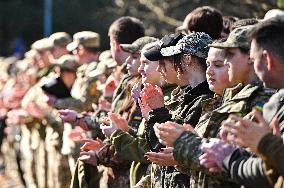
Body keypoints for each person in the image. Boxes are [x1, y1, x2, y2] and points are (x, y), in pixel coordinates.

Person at [154, 26, 273, 187]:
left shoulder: (262, 101)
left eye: (229, 56)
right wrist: (183, 152)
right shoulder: (229, 100)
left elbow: (246, 166)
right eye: (210, 64)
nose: (227, 62)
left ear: (251, 57)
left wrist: (185, 143)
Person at [201, 18, 284, 188]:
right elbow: (269, 172)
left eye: (254, 58)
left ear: (267, 59)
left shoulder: (270, 100)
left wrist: (266, 144)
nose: (226, 62)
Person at [138, 32, 213, 187]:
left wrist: (158, 112)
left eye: (165, 62)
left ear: (187, 59)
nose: (159, 68)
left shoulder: (207, 100)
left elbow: (167, 146)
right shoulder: (186, 96)